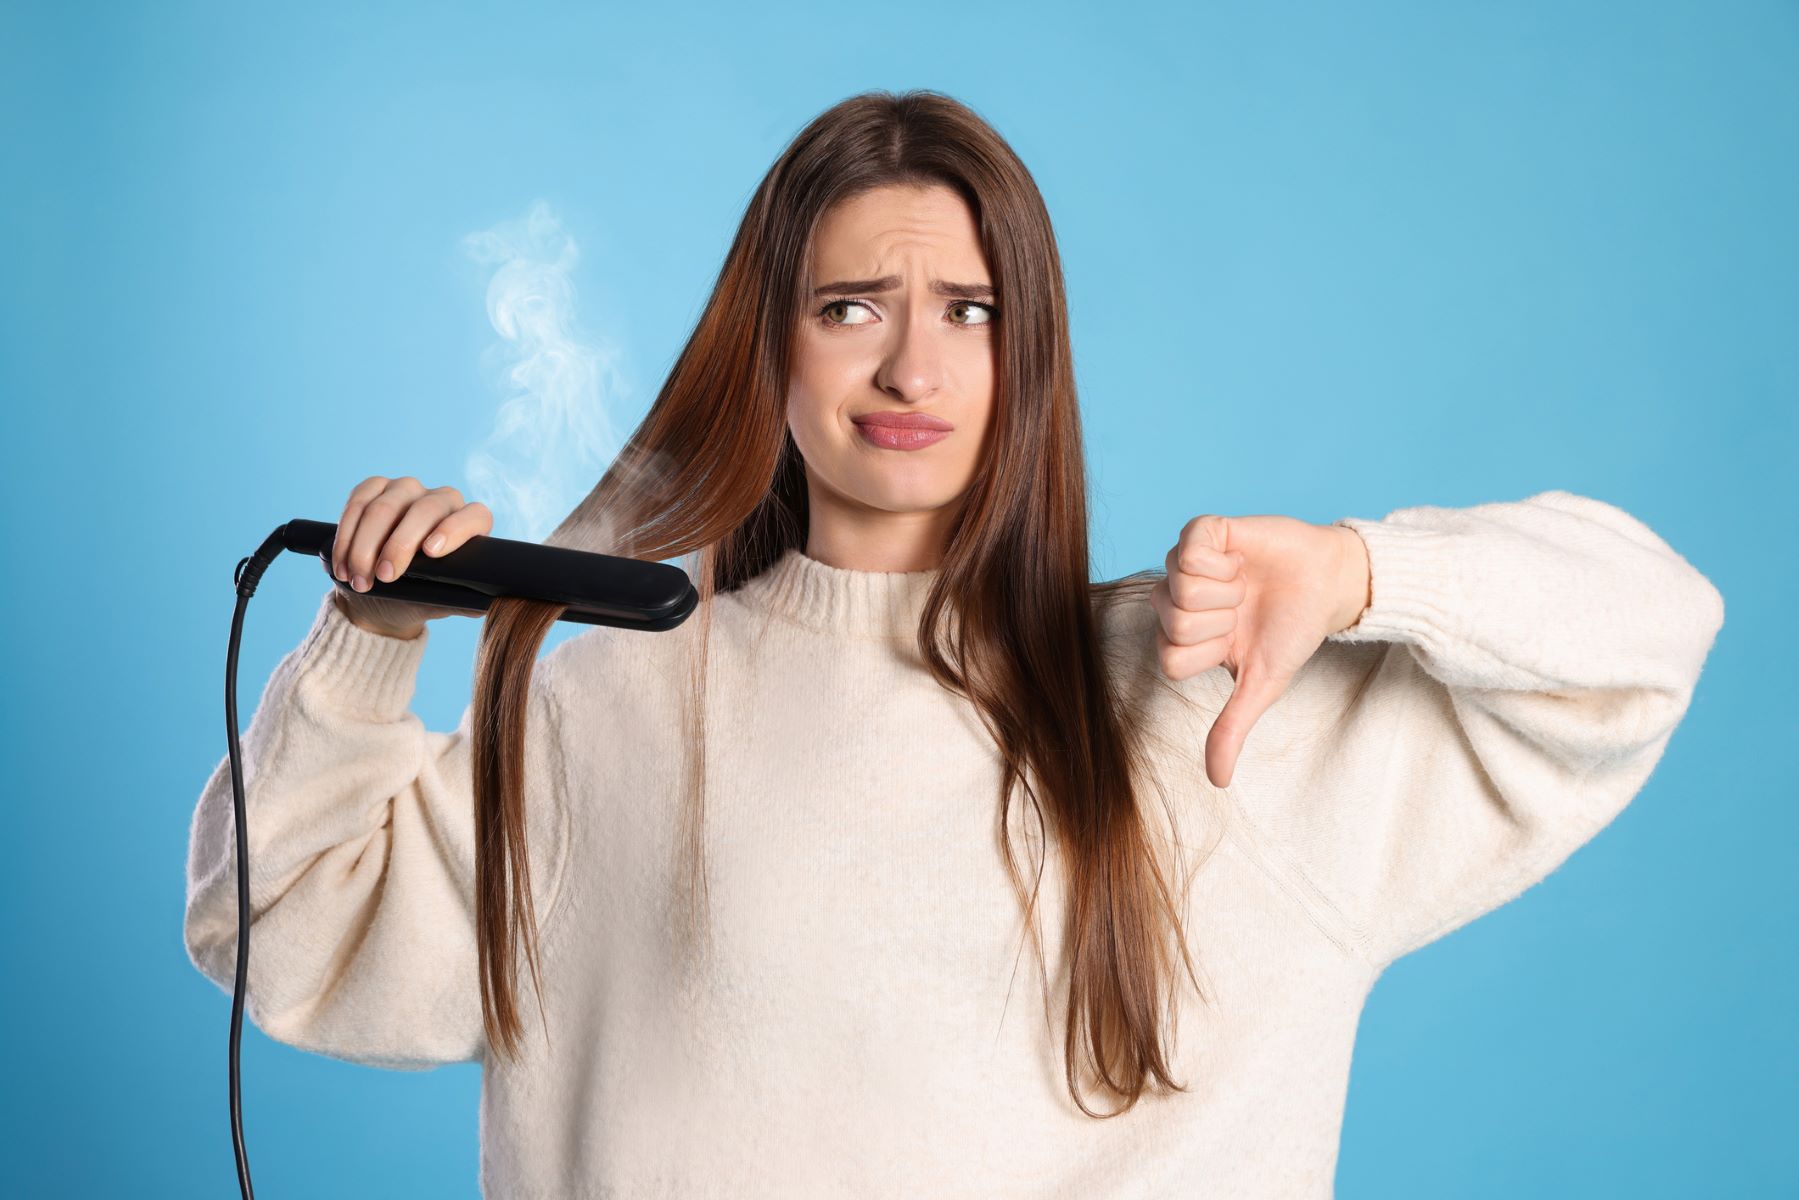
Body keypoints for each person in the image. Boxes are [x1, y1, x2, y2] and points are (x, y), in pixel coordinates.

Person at [182, 89, 1725, 1198]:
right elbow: (285, 931)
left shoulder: (1208, 688)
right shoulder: (618, 694)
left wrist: (1362, 571)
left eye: (972, 311)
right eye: (852, 305)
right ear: (768, 341)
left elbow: (1649, 634)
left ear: (1029, 350)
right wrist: (370, 639)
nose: (914, 361)